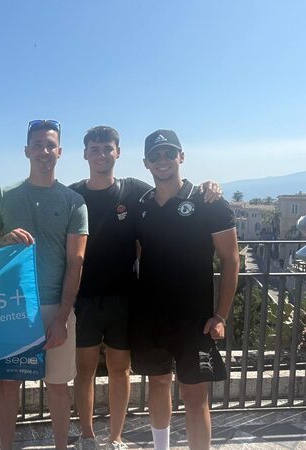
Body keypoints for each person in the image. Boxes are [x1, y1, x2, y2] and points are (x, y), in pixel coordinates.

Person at [69, 126, 222, 449]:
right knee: (86, 371)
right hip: (88, 299)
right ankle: (87, 437)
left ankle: (115, 438)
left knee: (122, 371)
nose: (101, 155)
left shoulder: (134, 192)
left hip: (129, 300)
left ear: (118, 153)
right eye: (94, 149)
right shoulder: (73, 195)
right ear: (85, 154)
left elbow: (171, 192)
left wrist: (209, 186)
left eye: (107, 148)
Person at [0, 120, 88, 450]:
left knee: (57, 386)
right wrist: (4, 240)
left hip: (56, 306)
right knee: (9, 385)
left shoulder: (74, 201)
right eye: (37, 144)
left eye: (50, 145)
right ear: (26, 151)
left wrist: (62, 317)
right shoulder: (5, 195)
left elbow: (76, 262)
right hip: (13, 306)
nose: (44, 151)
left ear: (60, 151)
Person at [131, 129, 239, 450]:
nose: (162, 160)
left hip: (195, 320)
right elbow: (139, 255)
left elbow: (231, 260)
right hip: (151, 318)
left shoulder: (209, 202)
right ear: (146, 163)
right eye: (155, 155)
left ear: (182, 156)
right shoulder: (142, 206)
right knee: (158, 385)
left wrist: (220, 315)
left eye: (169, 153)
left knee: (195, 396)